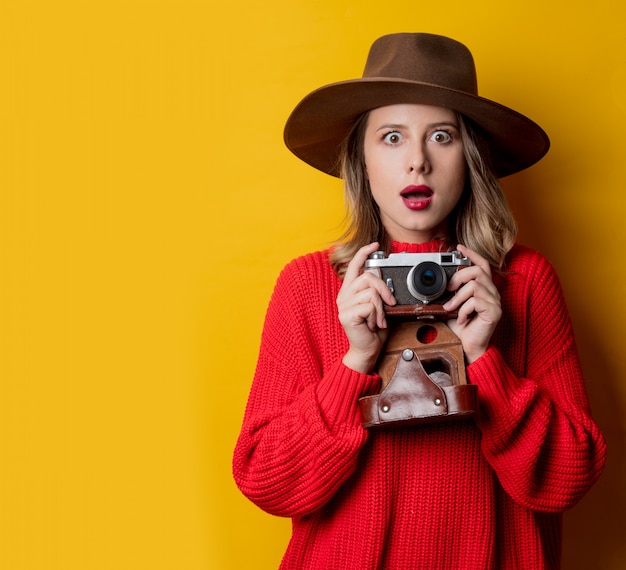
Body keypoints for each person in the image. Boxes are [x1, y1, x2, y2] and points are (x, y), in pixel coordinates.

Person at [232, 33, 606, 569]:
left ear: (471, 156)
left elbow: (570, 475)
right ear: (359, 160)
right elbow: (267, 481)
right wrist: (355, 362)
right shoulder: (309, 285)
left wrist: (485, 359)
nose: (417, 162)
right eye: (390, 137)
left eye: (441, 136)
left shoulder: (522, 282)